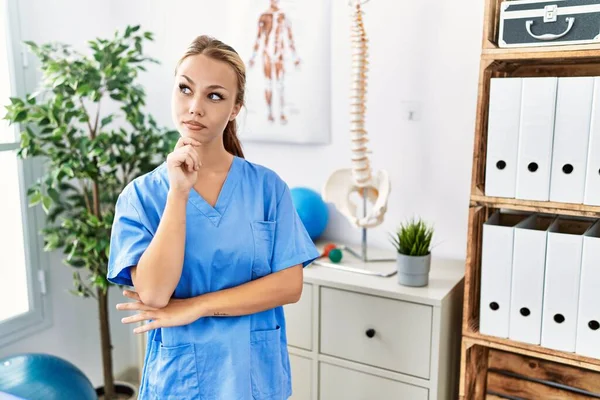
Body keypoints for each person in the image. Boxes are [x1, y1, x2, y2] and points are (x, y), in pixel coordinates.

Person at [107, 35, 320, 399]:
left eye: (214, 95)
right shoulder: (141, 197)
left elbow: (289, 285)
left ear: (235, 108)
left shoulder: (268, 188)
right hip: (181, 382)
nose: (195, 107)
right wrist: (178, 193)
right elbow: (155, 294)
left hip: (255, 379)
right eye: (185, 89)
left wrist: (194, 308)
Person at [248, 0, 301, 125]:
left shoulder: (283, 17)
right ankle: (269, 113)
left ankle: (281, 112)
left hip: (279, 54)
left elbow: (290, 37)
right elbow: (258, 38)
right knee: (268, 84)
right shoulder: (264, 16)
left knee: (280, 84)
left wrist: (295, 57)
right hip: (267, 54)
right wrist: (253, 57)